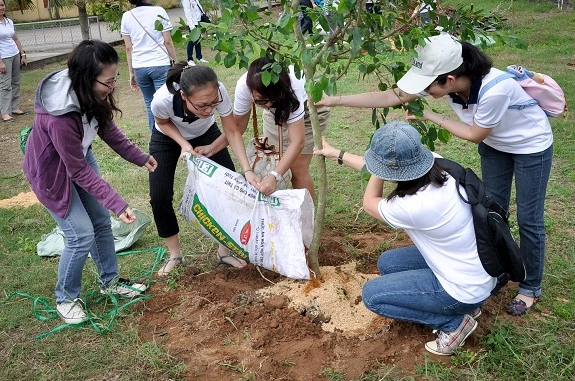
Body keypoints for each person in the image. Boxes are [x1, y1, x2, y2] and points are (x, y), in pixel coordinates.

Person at [318, 32, 553, 317]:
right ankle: (498, 268)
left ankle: (530, 287)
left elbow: (475, 134)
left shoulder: (495, 89)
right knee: (492, 208)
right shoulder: (447, 80)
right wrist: (335, 100)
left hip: (530, 145)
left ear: (450, 80)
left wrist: (430, 116)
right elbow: (396, 95)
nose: (425, 92)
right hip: (496, 144)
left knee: (529, 218)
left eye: (429, 87)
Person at [314, 122, 496, 355]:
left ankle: (453, 324)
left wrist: (378, 167)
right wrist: (337, 154)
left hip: (464, 289)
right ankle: (462, 307)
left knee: (373, 296)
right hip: (476, 268)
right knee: (388, 263)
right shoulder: (437, 164)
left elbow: (370, 202)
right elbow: (385, 170)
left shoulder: (415, 206)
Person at [22, 40, 158, 325]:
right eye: (108, 81)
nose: (112, 87)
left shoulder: (92, 91)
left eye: (114, 78)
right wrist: (117, 204)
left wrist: (138, 157)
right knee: (80, 234)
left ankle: (110, 281)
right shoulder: (61, 116)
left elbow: (107, 127)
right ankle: (66, 298)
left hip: (79, 159)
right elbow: (76, 171)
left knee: (100, 223)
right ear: (87, 78)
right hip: (52, 174)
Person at [150, 63, 259, 276]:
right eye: (202, 106)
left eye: (213, 103)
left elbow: (232, 131)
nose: (209, 110)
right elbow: (162, 123)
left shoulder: (219, 92)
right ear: (183, 95)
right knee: (159, 195)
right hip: (167, 137)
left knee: (229, 188)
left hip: (206, 132)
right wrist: (184, 144)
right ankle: (175, 255)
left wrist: (246, 170)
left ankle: (224, 252)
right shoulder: (162, 100)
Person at [234, 55, 330, 198]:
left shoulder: (292, 86)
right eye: (261, 101)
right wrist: (211, 148)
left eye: (273, 99)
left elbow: (297, 142)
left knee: (297, 168)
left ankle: (306, 217)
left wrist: (273, 177)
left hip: (307, 108)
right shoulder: (244, 87)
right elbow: (235, 130)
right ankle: (277, 213)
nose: (268, 104)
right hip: (275, 113)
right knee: (275, 160)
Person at [121, 0, 178, 132]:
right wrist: (175, 61)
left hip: (139, 65)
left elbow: (128, 48)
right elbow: (168, 41)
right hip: (159, 63)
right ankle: (169, 135)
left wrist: (131, 72)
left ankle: (155, 134)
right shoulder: (159, 11)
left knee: (149, 103)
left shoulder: (127, 16)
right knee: (166, 101)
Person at [0, 0, 27, 122]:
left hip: (15, 54)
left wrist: (22, 54)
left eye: (2, 5)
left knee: (15, 82)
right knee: (5, 85)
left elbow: (15, 38)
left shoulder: (9, 21)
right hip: (4, 57)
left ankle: (14, 107)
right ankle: (5, 112)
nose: (1, 7)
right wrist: (0, 62)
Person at [182, 0, 209, 65]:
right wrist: (191, 25)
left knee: (198, 41)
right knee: (192, 41)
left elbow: (199, 8)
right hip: (192, 23)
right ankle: (189, 59)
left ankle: (199, 57)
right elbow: (187, 12)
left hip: (198, 21)